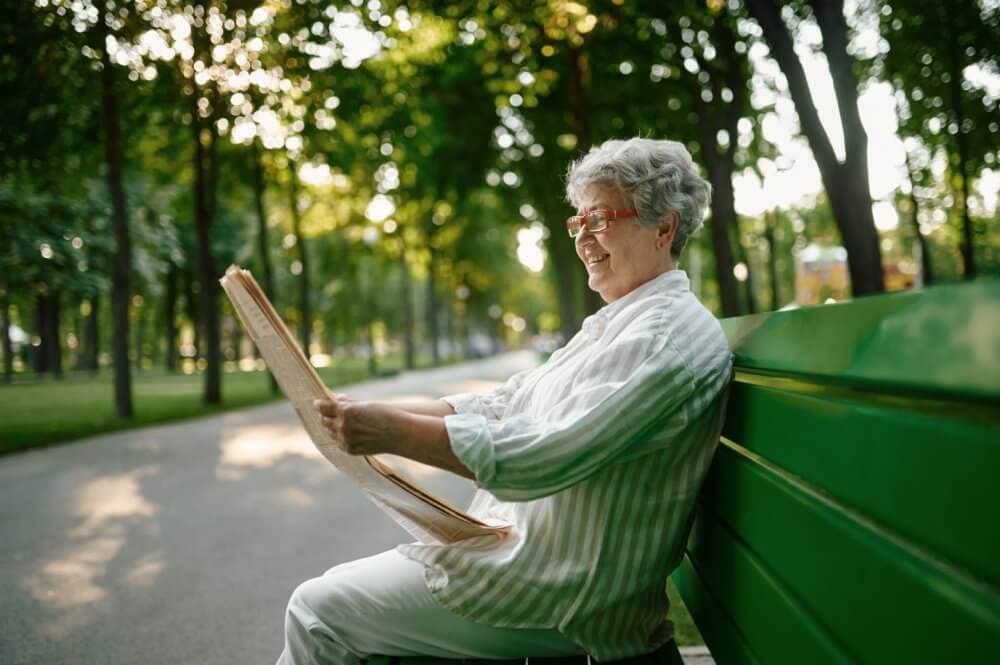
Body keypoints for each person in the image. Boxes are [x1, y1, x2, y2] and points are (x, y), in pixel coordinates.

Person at [277, 137, 733, 665]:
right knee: (342, 601)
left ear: (664, 227)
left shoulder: (660, 339)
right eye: (577, 222)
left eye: (601, 218)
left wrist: (392, 433)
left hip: (562, 592)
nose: (583, 237)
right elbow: (508, 402)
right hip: (537, 564)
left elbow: (541, 455)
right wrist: (364, 413)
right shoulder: (622, 323)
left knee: (318, 610)